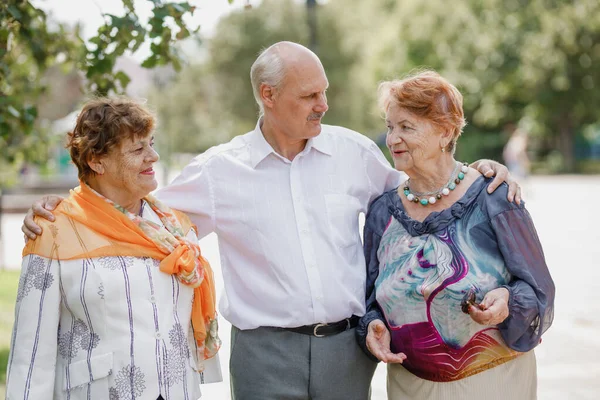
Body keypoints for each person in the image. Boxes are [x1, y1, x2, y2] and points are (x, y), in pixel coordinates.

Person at [22, 42, 519, 400]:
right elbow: (135, 216)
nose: (323, 105)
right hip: (263, 357)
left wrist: (476, 173)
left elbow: (424, 195)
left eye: (324, 92)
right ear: (268, 94)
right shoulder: (219, 170)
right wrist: (64, 213)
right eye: (309, 96)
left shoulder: (352, 152)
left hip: (347, 350)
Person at [356, 71, 555, 400]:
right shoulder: (382, 213)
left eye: (406, 127)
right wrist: (373, 325)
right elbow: (368, 297)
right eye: (390, 127)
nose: (392, 139)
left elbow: (538, 287)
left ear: (445, 132)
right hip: (409, 385)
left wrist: (508, 301)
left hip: (492, 381)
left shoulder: (492, 196)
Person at [8, 98, 222, 400]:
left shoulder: (177, 228)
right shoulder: (53, 231)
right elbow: (30, 359)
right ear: (97, 161)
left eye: (151, 144)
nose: (154, 156)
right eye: (138, 149)